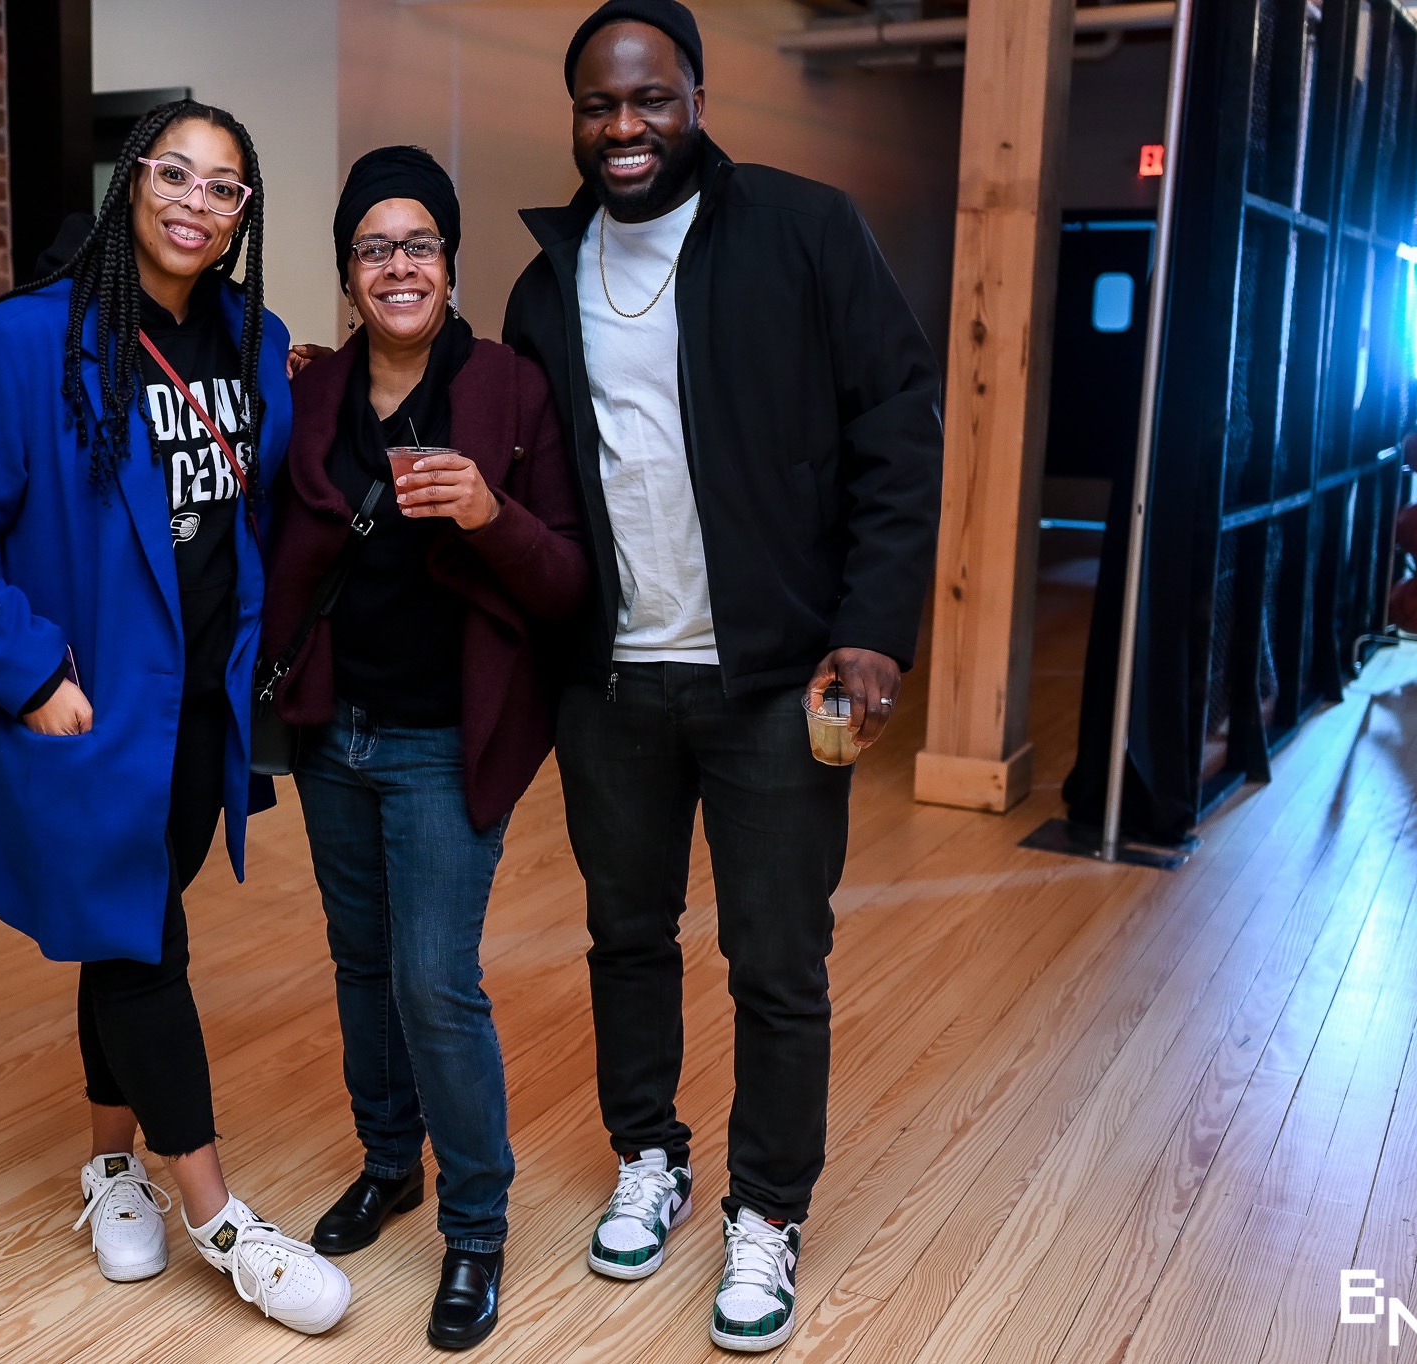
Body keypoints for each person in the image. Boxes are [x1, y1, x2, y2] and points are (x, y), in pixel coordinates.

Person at [501, 1, 943, 1352]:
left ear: (697, 97)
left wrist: (872, 626)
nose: (623, 125)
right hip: (613, 682)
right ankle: (650, 1155)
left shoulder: (805, 230)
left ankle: (767, 1209)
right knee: (625, 936)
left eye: (650, 97)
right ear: (574, 116)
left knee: (778, 958)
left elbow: (896, 423)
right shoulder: (545, 281)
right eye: (598, 103)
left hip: (776, 680)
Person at [0, 99, 353, 1335]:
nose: (196, 203)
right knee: (147, 948)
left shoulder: (256, 344)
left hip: (199, 713)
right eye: (175, 174)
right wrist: (33, 674)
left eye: (224, 187)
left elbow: (265, 503)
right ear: (132, 180)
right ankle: (221, 1217)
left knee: (120, 934)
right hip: (93, 714)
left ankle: (108, 1164)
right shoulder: (26, 342)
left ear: (243, 214)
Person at [260, 146, 588, 1351]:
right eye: (373, 247)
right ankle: (388, 1160)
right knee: (359, 960)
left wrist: (490, 513)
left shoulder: (509, 389)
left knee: (433, 978)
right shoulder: (311, 393)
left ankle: (477, 1224)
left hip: (445, 738)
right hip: (331, 729)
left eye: (418, 244)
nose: (397, 265)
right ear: (347, 272)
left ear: (450, 263)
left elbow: (567, 580)